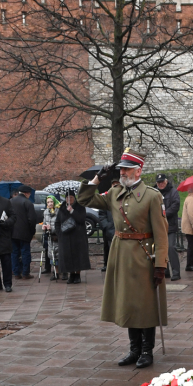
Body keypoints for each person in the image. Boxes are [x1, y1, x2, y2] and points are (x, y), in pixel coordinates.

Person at [78, 149, 167, 368]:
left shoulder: (152, 196)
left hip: (144, 256)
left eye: (127, 169)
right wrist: (97, 178)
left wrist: (160, 265)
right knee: (128, 303)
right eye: (121, 169)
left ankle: (147, 350)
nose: (123, 172)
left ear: (138, 171)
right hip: (120, 256)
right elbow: (84, 199)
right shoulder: (115, 192)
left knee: (145, 305)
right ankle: (134, 350)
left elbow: (161, 234)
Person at [56, 190, 91, 284]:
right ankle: (71, 275)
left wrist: (72, 211)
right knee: (68, 257)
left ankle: (77, 275)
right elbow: (58, 221)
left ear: (74, 198)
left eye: (71, 197)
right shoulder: (62, 207)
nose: (69, 199)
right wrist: (59, 233)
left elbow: (81, 219)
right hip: (66, 237)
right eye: (67, 197)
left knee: (78, 256)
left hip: (78, 237)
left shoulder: (80, 206)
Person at [157, 174, 181, 281]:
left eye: (162, 182)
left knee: (171, 247)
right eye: (159, 182)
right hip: (158, 226)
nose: (161, 184)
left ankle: (176, 272)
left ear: (166, 181)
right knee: (161, 249)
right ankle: (165, 271)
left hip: (170, 225)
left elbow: (176, 206)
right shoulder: (154, 193)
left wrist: (163, 214)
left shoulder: (173, 192)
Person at [10, 184, 38, 280]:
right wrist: (32, 231)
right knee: (25, 253)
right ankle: (26, 273)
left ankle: (16, 273)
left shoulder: (10, 201)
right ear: (27, 193)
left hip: (12, 233)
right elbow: (32, 219)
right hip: (25, 233)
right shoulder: (28, 203)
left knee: (14, 253)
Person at [42, 196, 60, 279]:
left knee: (59, 254)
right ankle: (56, 273)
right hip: (50, 237)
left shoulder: (59, 211)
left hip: (58, 236)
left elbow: (60, 224)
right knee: (52, 255)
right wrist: (44, 227)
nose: (50, 204)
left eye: (51, 202)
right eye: (48, 202)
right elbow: (44, 222)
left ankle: (63, 272)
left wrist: (52, 228)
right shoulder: (46, 212)